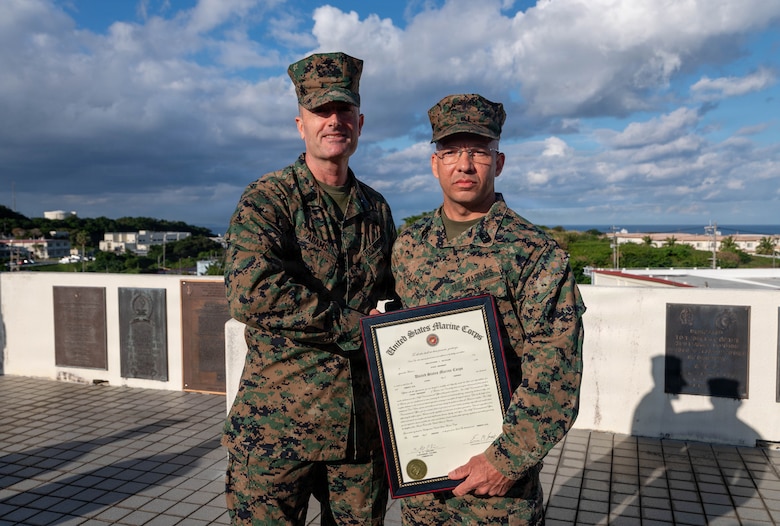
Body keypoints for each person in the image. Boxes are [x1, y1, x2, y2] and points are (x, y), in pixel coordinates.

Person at [392, 94, 585, 525]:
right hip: (423, 489)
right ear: (434, 163)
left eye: (478, 151)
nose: (464, 164)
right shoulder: (408, 247)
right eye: (450, 152)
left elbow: (556, 374)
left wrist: (505, 462)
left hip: (498, 495)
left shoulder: (534, 253)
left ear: (498, 162)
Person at [222, 52, 396, 525]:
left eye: (344, 112)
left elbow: (393, 288)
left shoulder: (376, 208)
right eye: (321, 112)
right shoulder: (269, 198)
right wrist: (357, 328)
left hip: (359, 431)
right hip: (278, 426)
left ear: (360, 123)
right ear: (300, 123)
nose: (333, 122)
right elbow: (252, 291)